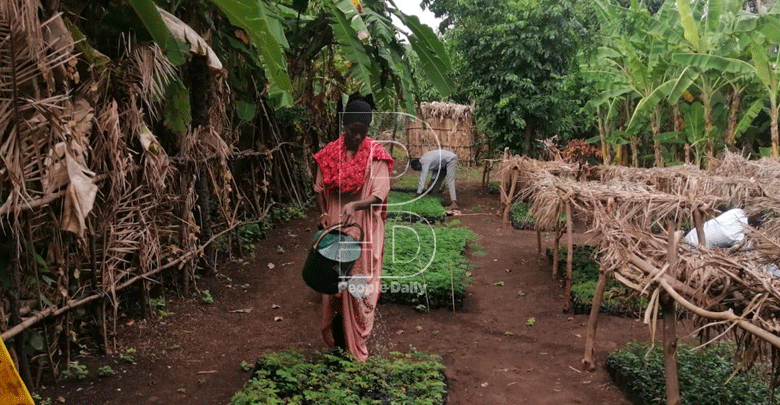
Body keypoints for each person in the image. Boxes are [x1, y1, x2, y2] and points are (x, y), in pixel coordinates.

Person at [312, 93, 393, 361]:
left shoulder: (376, 156)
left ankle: (357, 349)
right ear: (344, 125)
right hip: (336, 231)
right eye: (352, 131)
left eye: (363, 132)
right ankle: (339, 347)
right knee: (334, 290)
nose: (358, 137)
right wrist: (323, 212)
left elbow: (378, 194)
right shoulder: (329, 154)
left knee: (358, 292)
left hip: (363, 232)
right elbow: (319, 188)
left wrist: (355, 206)